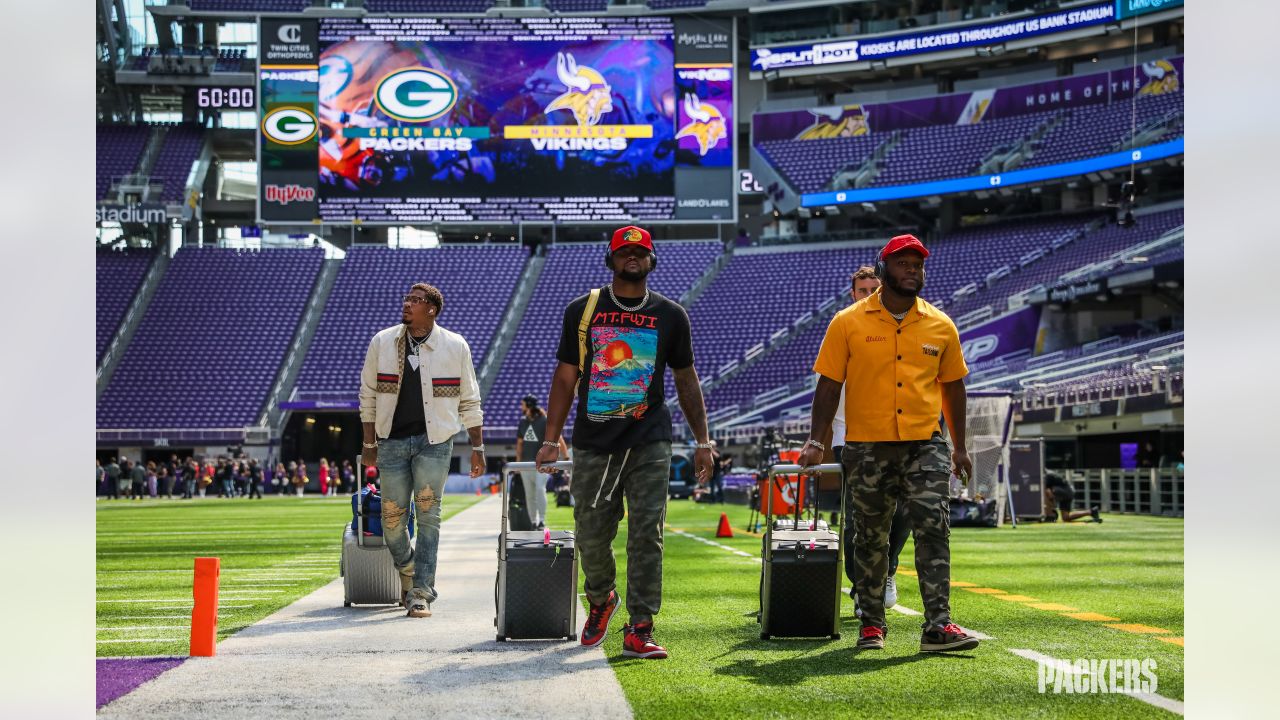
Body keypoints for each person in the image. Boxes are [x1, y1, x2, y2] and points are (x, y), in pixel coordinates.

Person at [535, 225, 713, 660]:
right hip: (595, 442)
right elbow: (565, 377)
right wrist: (550, 438)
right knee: (591, 534)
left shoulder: (671, 315)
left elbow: (686, 381)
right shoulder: (583, 309)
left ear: (651, 259)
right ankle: (601, 599)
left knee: (646, 534)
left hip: (649, 439)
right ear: (610, 259)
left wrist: (703, 440)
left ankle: (641, 626)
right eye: (623, 252)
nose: (632, 257)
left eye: (640, 252)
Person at [796, 234, 980, 653]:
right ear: (882, 271)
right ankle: (872, 623)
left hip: (925, 443)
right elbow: (828, 385)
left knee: (934, 527)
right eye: (903, 264)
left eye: (918, 264)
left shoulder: (941, 324)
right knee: (870, 536)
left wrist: (960, 446)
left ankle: (938, 625)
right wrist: (815, 440)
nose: (912, 270)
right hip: (867, 446)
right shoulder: (848, 321)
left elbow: (953, 388)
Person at [360, 282, 487, 618]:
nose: (407, 304)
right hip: (391, 441)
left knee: (429, 517)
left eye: (415, 300)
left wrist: (478, 446)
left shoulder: (454, 345)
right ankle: (410, 567)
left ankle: (420, 593)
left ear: (432, 309)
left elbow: (470, 399)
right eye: (406, 298)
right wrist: (368, 442)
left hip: (436, 442)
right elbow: (368, 396)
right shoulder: (383, 342)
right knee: (391, 521)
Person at [833, 266, 912, 614]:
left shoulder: (903, 329)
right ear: (853, 294)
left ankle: (888, 570)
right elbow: (826, 387)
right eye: (861, 290)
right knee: (857, 519)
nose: (867, 294)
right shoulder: (845, 325)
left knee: (903, 512)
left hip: (899, 435)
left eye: (873, 288)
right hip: (848, 436)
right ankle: (861, 586)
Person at [515, 394, 569, 529]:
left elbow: (558, 437)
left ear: (528, 406)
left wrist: (566, 455)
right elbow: (519, 444)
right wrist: (517, 464)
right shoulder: (522, 422)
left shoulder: (545, 420)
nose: (521, 407)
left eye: (523, 404)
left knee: (540, 489)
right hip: (525, 464)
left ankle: (542, 520)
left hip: (542, 464)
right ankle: (533, 521)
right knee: (529, 494)